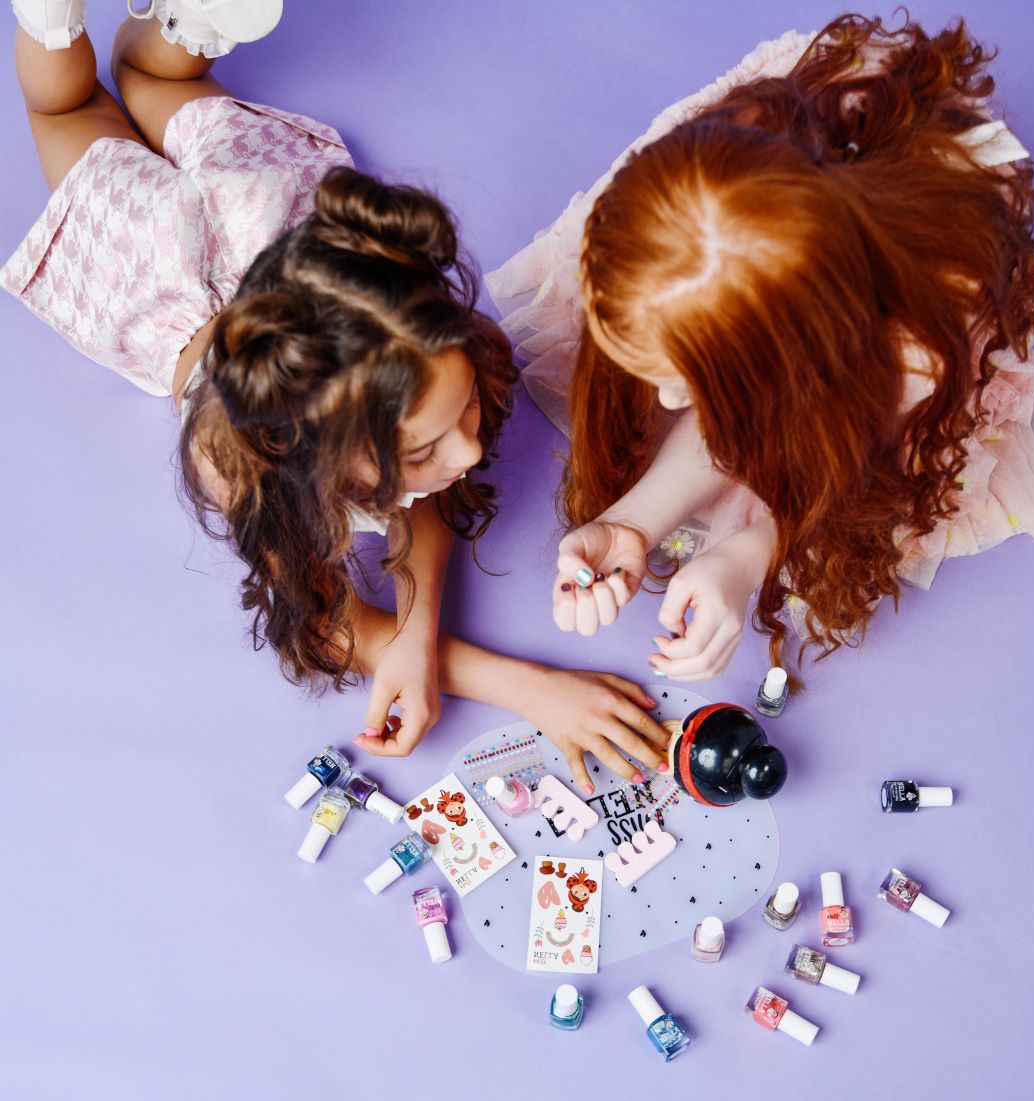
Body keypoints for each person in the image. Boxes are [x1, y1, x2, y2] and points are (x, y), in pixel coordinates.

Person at [3, 0, 670, 791]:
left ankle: (180, 32)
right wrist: (528, 685)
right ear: (309, 457)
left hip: (260, 210)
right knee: (67, 103)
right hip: (146, 259)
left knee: (150, 75)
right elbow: (332, 628)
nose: (470, 447)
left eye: (461, 414)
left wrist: (419, 632)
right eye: (425, 448)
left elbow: (418, 500)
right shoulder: (243, 465)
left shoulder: (435, 355)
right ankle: (51, 20)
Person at [487, 14, 1034, 681]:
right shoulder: (699, 228)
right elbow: (730, 412)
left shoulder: (910, 359)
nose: (667, 403)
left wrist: (747, 553)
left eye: (686, 384)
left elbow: (835, 454)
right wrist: (632, 522)